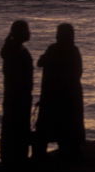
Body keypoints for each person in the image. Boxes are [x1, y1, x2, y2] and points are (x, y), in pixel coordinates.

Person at [34, 23, 84, 160]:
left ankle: (40, 159)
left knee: (45, 131)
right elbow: (78, 73)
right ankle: (69, 155)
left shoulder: (53, 49)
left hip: (52, 97)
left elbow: (40, 62)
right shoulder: (73, 51)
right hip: (69, 98)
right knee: (67, 131)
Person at [0, 20, 32, 167]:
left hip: (15, 95)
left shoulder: (14, 49)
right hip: (18, 96)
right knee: (17, 127)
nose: (29, 32)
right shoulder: (16, 51)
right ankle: (16, 160)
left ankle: (12, 159)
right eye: (27, 30)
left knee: (12, 127)